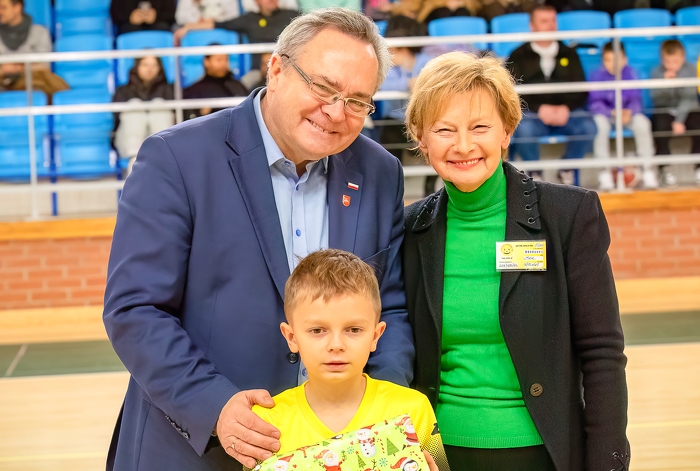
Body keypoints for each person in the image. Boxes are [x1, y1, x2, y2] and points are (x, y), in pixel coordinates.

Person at [103, 8, 414, 471]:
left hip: (338, 451)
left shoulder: (380, 172)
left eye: (357, 101)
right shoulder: (176, 157)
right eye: (323, 88)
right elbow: (135, 309)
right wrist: (214, 405)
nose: (336, 112)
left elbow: (388, 308)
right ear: (276, 68)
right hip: (198, 452)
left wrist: (379, 412)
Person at [402, 52, 630, 471]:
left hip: (544, 452)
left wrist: (607, 462)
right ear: (421, 137)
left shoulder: (567, 215)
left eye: (480, 127)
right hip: (435, 454)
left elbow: (602, 353)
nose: (463, 145)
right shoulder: (409, 230)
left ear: (507, 130)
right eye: (444, 129)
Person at [251, 249, 448, 471]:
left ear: (375, 336)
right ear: (291, 337)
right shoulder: (266, 424)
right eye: (317, 330)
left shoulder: (412, 410)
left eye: (353, 329)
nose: (336, 345)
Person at [508, 4, 596, 185]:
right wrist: (539, 109)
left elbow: (582, 90)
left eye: (553, 20)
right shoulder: (517, 55)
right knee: (523, 129)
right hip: (533, 115)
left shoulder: (569, 53)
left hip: (567, 114)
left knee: (589, 127)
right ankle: (535, 174)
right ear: (532, 26)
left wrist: (566, 108)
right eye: (544, 21)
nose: (550, 25)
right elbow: (511, 93)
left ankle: (567, 168)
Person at [378, 16, 436, 196]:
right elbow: (381, 85)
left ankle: (430, 189)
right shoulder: (387, 65)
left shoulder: (428, 61)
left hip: (423, 119)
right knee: (387, 146)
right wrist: (408, 83)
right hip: (394, 120)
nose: (389, 51)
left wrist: (417, 83)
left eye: (394, 48)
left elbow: (435, 82)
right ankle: (389, 191)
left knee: (437, 138)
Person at [589, 42, 658, 190]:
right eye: (608, 60)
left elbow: (636, 99)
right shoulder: (597, 76)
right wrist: (613, 112)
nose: (612, 64)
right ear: (602, 60)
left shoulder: (631, 73)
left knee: (643, 123)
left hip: (628, 114)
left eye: (616, 59)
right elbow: (595, 103)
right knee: (599, 126)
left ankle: (648, 170)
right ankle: (604, 172)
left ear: (624, 59)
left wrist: (629, 111)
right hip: (607, 115)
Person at [174, 0, 298, 70]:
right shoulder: (249, 19)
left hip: (288, 68)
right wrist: (189, 27)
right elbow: (218, 24)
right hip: (258, 72)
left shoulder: (292, 15)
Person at [651, 39, 700, 187]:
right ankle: (664, 168)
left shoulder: (691, 70)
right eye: (668, 61)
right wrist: (666, 85)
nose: (672, 65)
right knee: (659, 124)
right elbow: (656, 100)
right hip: (665, 111)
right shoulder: (656, 72)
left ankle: (698, 166)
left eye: (676, 61)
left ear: (683, 57)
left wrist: (679, 120)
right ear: (662, 59)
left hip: (687, 110)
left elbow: (689, 99)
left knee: (698, 122)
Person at [112, 55, 174, 168]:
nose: (149, 69)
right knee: (134, 104)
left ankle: (162, 154)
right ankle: (135, 160)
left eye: (154, 65)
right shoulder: (122, 91)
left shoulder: (170, 90)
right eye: (145, 65)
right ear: (136, 66)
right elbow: (116, 123)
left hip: (163, 144)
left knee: (158, 104)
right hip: (128, 143)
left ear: (160, 68)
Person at [183, 45, 249, 120]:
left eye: (226, 60)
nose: (223, 63)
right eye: (219, 60)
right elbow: (188, 120)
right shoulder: (194, 91)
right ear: (206, 62)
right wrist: (201, 114)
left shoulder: (237, 85)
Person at [110, 0, 176, 36]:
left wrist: (156, 17)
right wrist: (130, 18)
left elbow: (171, 15)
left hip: (158, 28)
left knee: (162, 29)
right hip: (129, 29)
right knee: (127, 30)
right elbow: (115, 15)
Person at [175, 0, 241, 27]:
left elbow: (235, 17)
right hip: (193, 30)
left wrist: (214, 21)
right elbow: (180, 18)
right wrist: (199, 21)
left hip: (221, 29)